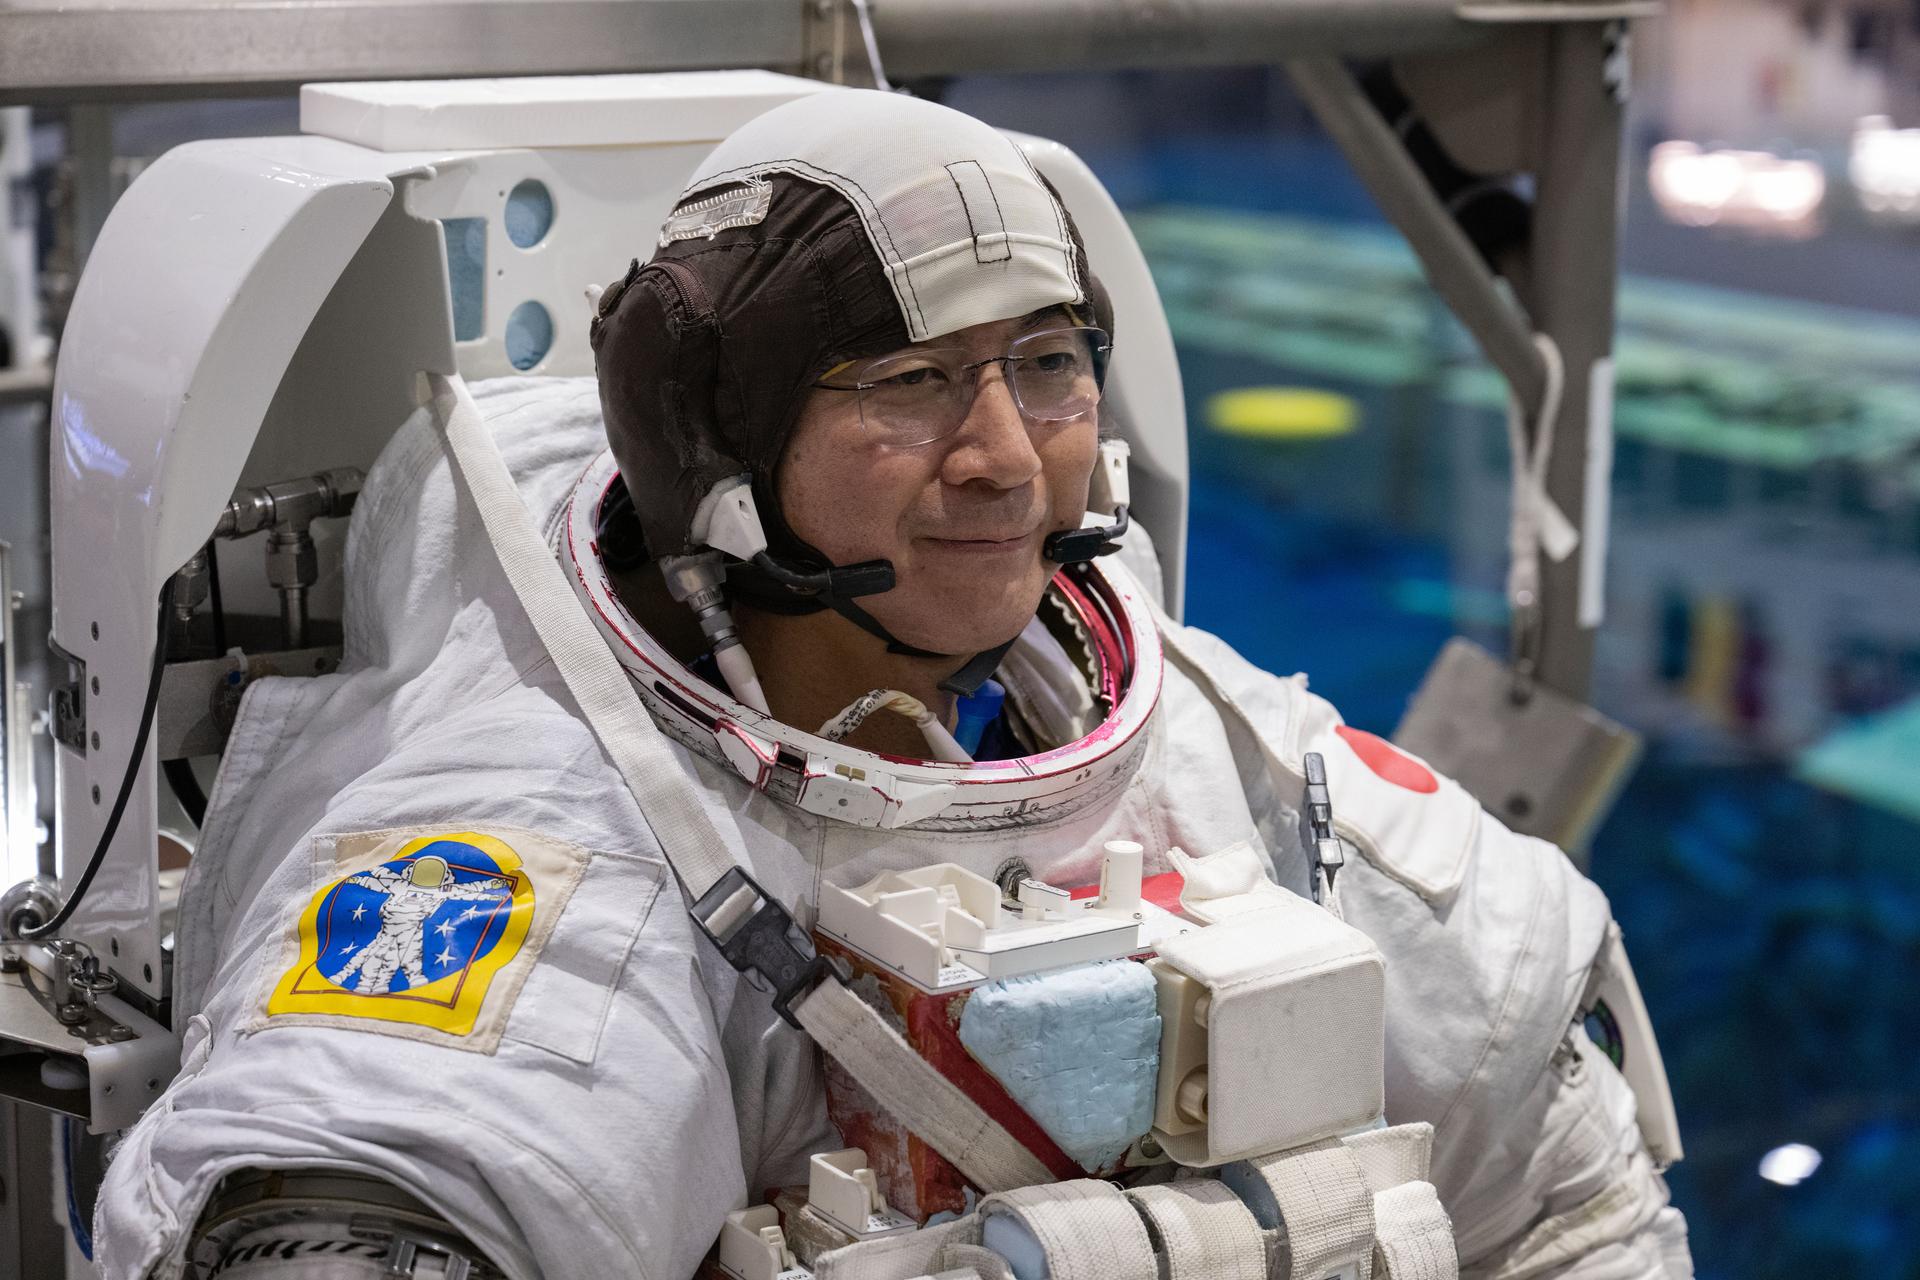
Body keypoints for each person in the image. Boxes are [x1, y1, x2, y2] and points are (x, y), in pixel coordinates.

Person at [93, 89, 1691, 1279]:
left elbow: (1575, 1196)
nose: (1005, 456)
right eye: (914, 384)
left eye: (1048, 365)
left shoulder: (1218, 758)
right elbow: (398, 1170)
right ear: (719, 458)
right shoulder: (551, 831)